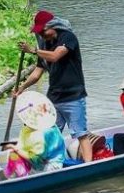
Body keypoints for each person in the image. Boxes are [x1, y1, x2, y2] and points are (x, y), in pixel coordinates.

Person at [16, 10, 93, 162]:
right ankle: (50, 162)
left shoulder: (68, 37)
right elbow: (37, 73)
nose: (42, 36)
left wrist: (33, 50)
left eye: (43, 32)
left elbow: (56, 56)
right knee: (49, 133)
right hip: (54, 99)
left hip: (73, 96)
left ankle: (88, 165)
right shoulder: (45, 46)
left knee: (81, 134)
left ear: (53, 26)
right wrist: (21, 88)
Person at [7, 91, 68, 173]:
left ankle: (17, 176)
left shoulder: (43, 133)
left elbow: (37, 161)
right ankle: (13, 174)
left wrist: (16, 148)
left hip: (51, 165)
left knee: (14, 153)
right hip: (41, 159)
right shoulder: (43, 124)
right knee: (13, 152)